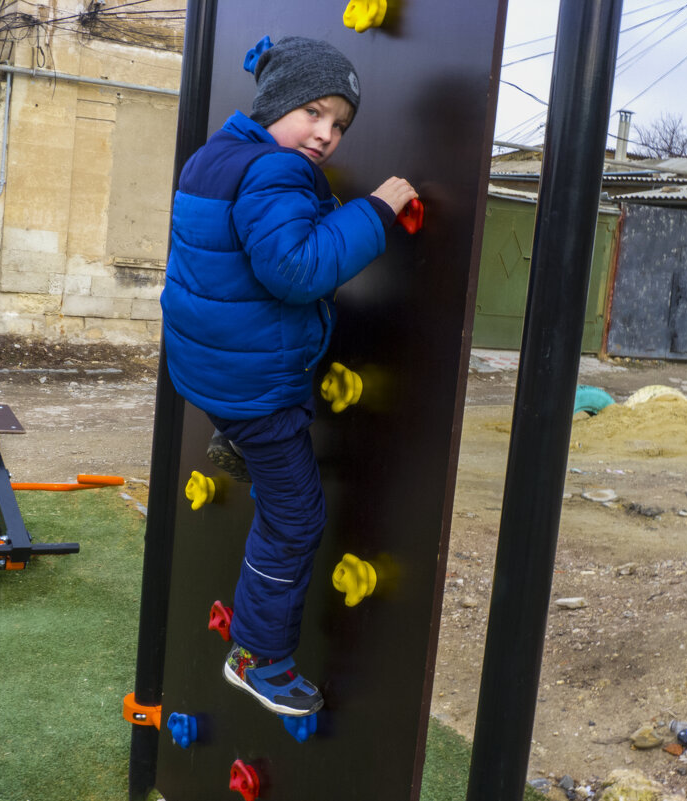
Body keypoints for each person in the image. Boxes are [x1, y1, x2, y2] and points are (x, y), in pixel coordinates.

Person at [160, 35, 417, 717]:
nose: (327, 134)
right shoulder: (274, 173)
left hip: (206, 364)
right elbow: (296, 270)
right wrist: (373, 211)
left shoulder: (215, 158)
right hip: (259, 390)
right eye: (314, 113)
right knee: (297, 518)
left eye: (340, 124)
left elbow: (245, 249)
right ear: (276, 103)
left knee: (252, 439)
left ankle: (233, 438)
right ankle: (258, 656)